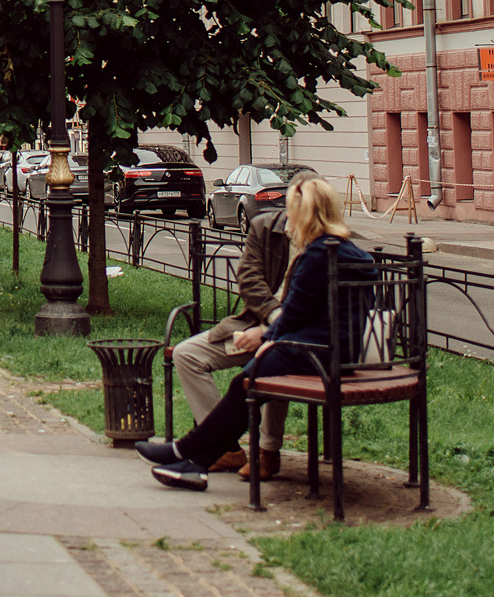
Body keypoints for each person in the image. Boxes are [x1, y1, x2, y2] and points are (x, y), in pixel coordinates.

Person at [139, 178, 375, 489]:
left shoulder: (316, 255)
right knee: (248, 379)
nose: (288, 217)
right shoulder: (353, 253)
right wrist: (269, 335)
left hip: (313, 353)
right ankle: (193, 463)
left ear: (305, 214)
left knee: (249, 381)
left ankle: (185, 451)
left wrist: (264, 338)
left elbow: (292, 315)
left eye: (292, 210)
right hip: (338, 351)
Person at [167, 203, 294, 475]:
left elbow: (310, 308)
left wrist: (272, 332)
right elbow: (248, 279)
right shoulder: (266, 227)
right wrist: (271, 317)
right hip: (253, 326)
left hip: (290, 339)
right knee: (186, 353)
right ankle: (225, 449)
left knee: (274, 359)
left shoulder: (323, 242)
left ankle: (267, 452)